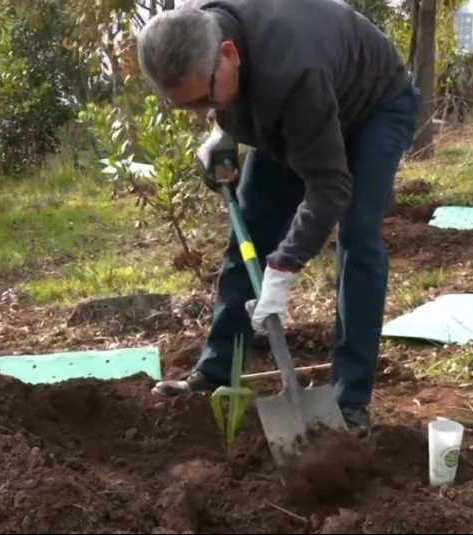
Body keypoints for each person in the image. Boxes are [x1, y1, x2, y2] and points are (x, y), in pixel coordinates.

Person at [136, 0, 420, 433]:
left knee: (358, 237)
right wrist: (221, 131)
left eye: (204, 100)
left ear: (229, 53)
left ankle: (349, 402)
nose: (200, 112)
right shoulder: (195, 26)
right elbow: (232, 97)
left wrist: (284, 265)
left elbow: (329, 186)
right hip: (296, 110)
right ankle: (216, 371)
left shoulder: (293, 73)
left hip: (372, 106)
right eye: (186, 105)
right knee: (250, 231)